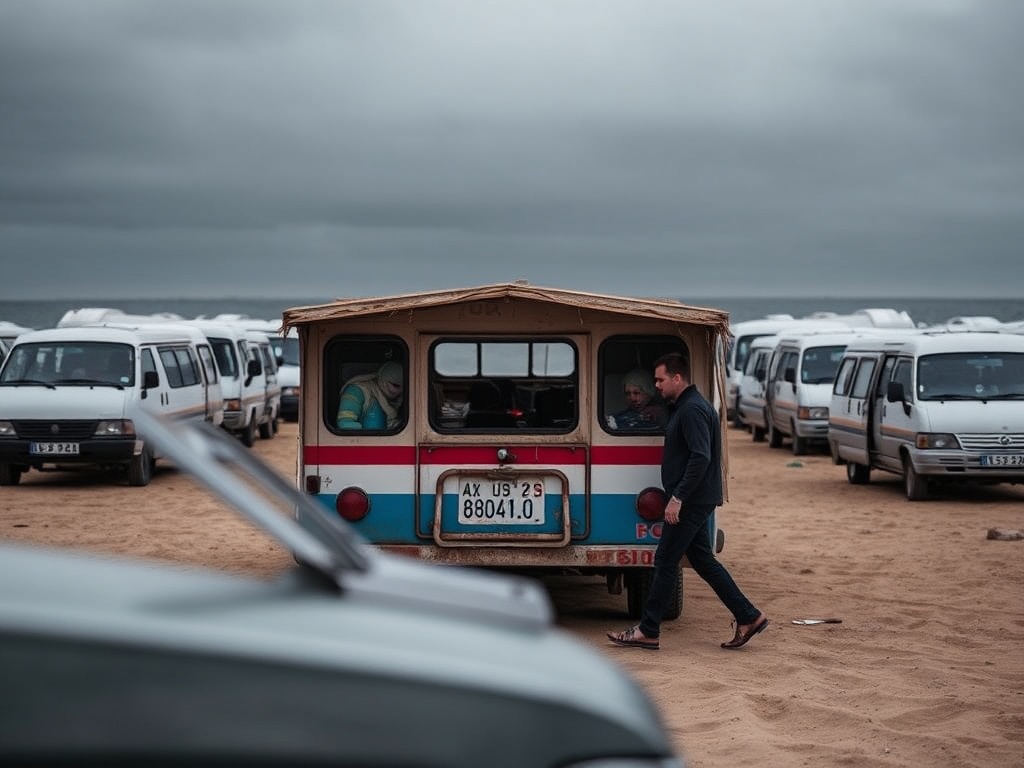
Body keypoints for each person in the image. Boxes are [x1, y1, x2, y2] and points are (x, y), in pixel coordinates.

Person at [607, 352, 768, 651]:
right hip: (697, 498)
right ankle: (749, 616)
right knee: (703, 561)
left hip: (691, 500)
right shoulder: (686, 406)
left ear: (677, 378)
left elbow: (701, 456)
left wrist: (677, 498)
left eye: (660, 379)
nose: (656, 385)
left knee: (666, 560)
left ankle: (648, 630)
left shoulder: (692, 409)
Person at [336, 361, 404, 430]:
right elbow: (345, 423)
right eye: (395, 385)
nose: (399, 392)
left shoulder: (398, 401)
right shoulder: (356, 391)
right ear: (382, 379)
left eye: (404, 388)